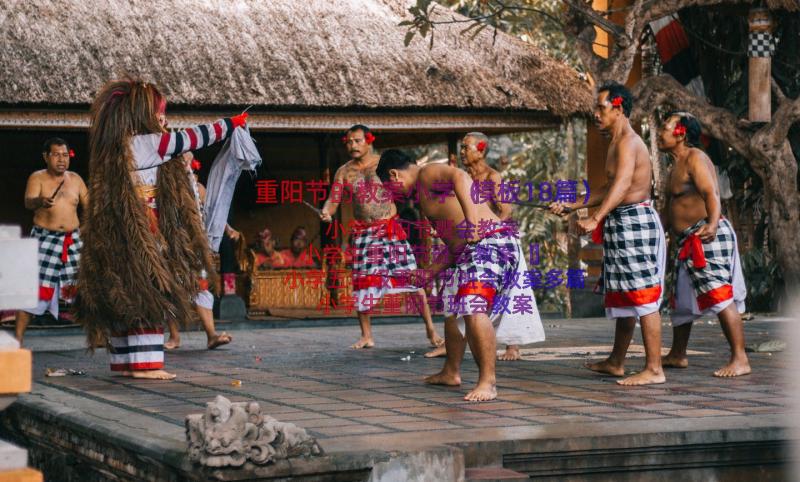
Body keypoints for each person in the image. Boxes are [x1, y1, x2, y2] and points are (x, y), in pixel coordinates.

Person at [75, 78, 248, 380]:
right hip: (144, 228)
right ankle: (146, 365)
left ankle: (125, 363)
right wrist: (233, 122)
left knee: (123, 291)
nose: (162, 118)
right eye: (158, 112)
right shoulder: (151, 143)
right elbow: (197, 138)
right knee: (149, 289)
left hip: (116, 229)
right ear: (143, 114)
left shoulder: (114, 145)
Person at [377, 149, 545, 401]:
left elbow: (460, 177)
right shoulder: (423, 197)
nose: (393, 196)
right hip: (470, 247)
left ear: (394, 175)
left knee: (473, 305)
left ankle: (488, 382)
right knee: (452, 308)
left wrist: (472, 220)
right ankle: (451, 372)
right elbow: (456, 243)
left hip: (490, 241)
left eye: (389, 189)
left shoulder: (426, 173)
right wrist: (430, 272)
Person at [551, 82, 666, 386]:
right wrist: (574, 205)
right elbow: (607, 186)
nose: (596, 114)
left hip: (634, 223)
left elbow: (624, 184)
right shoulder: (615, 142)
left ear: (618, 108)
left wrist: (596, 217)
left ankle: (654, 369)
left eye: (601, 108)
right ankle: (616, 362)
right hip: (620, 223)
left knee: (642, 295)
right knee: (626, 296)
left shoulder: (628, 141)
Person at [320, 125, 443, 349]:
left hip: (390, 228)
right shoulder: (343, 172)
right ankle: (367, 335)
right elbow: (333, 199)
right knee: (362, 283)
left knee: (412, 279)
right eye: (348, 142)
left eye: (357, 141)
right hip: (365, 233)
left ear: (369, 141)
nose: (352, 145)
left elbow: (416, 191)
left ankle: (431, 330)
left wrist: (431, 222)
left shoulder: (385, 164)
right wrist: (327, 211)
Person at [657, 112, 750, 377]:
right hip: (687, 240)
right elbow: (669, 208)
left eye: (665, 128)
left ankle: (740, 358)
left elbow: (712, 192)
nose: (661, 133)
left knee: (719, 295)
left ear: (681, 133)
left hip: (706, 234)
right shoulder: (674, 165)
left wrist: (712, 224)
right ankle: (677, 354)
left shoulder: (695, 158)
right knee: (683, 299)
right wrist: (656, 234)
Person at [426, 133, 521, 361]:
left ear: (481, 150)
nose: (462, 151)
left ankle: (512, 344)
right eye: (460, 147)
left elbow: (506, 209)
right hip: (466, 241)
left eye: (466, 147)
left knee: (503, 296)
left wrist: (489, 231)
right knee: (455, 293)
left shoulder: (493, 176)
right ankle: (453, 347)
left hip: (492, 241)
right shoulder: (461, 176)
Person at [15, 138, 88, 344]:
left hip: (72, 240)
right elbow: (28, 202)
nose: (61, 159)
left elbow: (90, 206)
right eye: (56, 155)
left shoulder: (76, 179)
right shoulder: (37, 178)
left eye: (65, 155)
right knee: (32, 289)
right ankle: (18, 339)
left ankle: (97, 336)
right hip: (45, 240)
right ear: (46, 156)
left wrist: (85, 229)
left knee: (86, 289)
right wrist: (40, 201)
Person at [164, 151, 232, 351]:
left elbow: (212, 212)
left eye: (188, 159)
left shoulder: (199, 188)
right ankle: (174, 337)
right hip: (172, 245)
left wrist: (228, 229)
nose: (186, 161)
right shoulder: (167, 186)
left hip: (196, 247)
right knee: (170, 289)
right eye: (182, 158)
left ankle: (211, 335)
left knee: (201, 288)